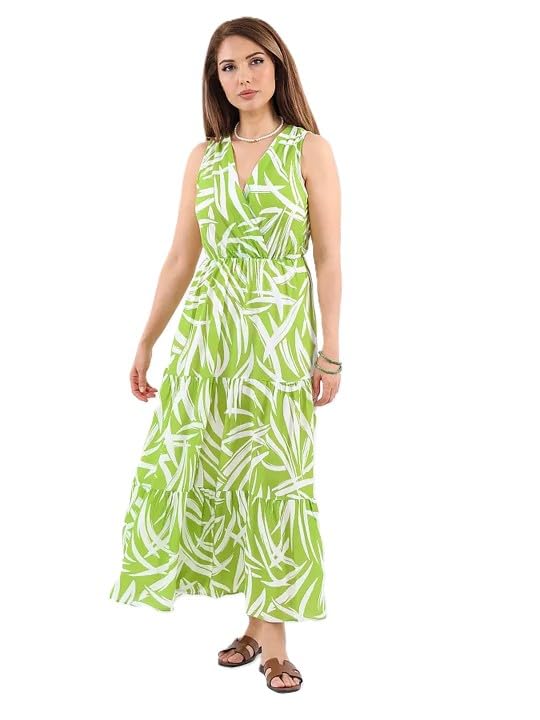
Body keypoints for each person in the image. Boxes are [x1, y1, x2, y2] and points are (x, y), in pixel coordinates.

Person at [109, 16, 342, 694]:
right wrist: (147, 338)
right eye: (228, 67)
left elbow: (328, 257)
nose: (243, 77)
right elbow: (182, 257)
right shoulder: (204, 158)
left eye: (255, 61)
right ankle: (254, 628)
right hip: (208, 340)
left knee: (275, 479)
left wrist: (330, 352)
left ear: (279, 66)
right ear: (215, 80)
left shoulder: (309, 150)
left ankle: (275, 640)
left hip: (276, 341)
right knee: (212, 472)